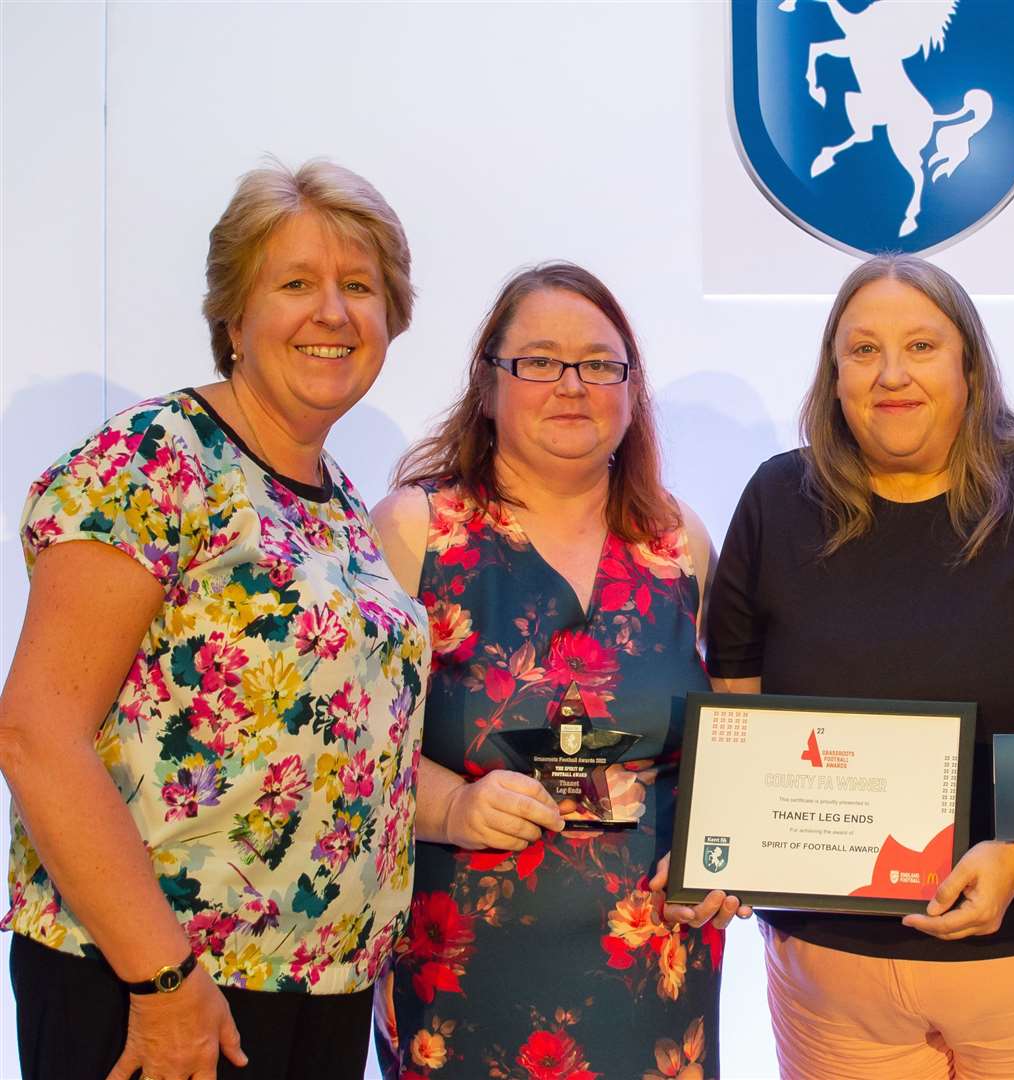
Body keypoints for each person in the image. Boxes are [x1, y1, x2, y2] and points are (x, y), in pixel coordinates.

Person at [0, 159, 429, 1080]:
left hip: (317, 991)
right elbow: (37, 735)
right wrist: (163, 982)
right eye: (296, 284)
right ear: (233, 316)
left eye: (360, 287)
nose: (333, 314)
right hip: (155, 991)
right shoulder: (152, 462)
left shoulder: (343, 505)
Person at [705, 253, 1014, 1080]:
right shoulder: (778, 499)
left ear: (969, 366)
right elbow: (740, 714)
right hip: (832, 981)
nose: (890, 376)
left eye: (921, 347)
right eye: (862, 350)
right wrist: (727, 844)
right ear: (832, 373)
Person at [369, 262, 738, 1080]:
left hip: (656, 973)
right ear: (488, 383)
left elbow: (723, 750)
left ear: (633, 389)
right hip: (462, 974)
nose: (571, 385)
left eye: (600, 364)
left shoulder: (680, 544)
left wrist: (723, 850)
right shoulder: (415, 533)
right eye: (538, 360)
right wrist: (455, 803)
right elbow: (353, 757)